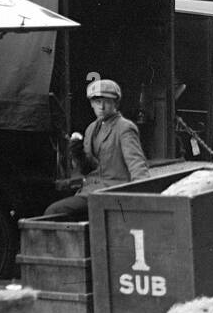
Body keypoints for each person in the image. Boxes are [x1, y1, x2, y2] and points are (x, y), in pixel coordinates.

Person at [45, 79, 149, 217]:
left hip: (113, 192)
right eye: (97, 101)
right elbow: (88, 168)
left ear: (116, 103)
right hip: (91, 191)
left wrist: (142, 199)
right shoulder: (91, 128)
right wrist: (77, 151)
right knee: (56, 211)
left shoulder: (124, 128)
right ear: (91, 104)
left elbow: (136, 164)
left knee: (53, 212)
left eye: (107, 101)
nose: (101, 106)